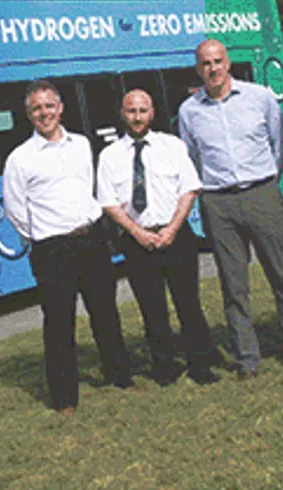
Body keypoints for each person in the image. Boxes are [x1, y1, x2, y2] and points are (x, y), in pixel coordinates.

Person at [3, 79, 135, 415]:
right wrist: (43, 237)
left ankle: (120, 376)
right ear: (29, 115)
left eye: (49, 105)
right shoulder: (19, 159)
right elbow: (16, 211)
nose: (44, 113)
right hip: (52, 250)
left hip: (91, 240)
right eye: (36, 108)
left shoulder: (81, 144)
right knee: (59, 326)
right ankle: (65, 398)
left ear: (61, 108)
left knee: (106, 314)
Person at [178, 39, 283, 378]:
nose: (213, 68)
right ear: (198, 68)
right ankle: (247, 358)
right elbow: (191, 158)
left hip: (261, 192)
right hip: (218, 203)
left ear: (228, 62)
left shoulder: (259, 97)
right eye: (206, 63)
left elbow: (279, 145)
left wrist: (264, 184)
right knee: (233, 286)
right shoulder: (189, 111)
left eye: (218, 60)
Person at [97, 89, 222, 386]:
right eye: (131, 111)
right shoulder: (109, 156)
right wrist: (138, 233)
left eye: (142, 110)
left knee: (188, 305)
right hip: (137, 242)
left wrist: (172, 229)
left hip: (176, 236)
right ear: (122, 114)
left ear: (152, 113)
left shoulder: (172, 146)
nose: (137, 117)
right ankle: (164, 367)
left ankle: (200, 364)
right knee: (152, 310)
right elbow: (109, 203)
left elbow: (189, 189)